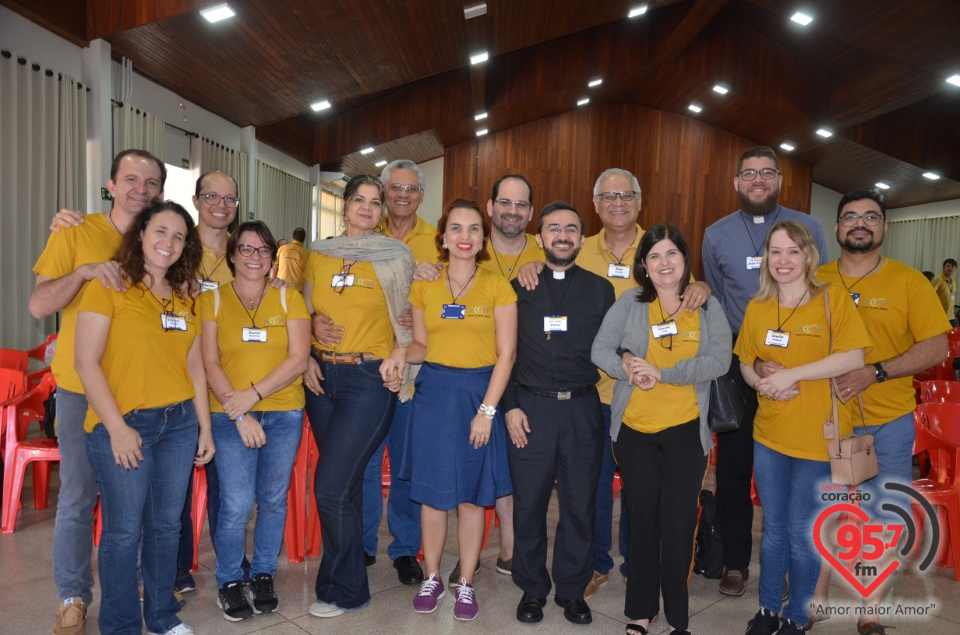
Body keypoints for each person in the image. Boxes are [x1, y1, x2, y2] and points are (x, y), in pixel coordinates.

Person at [515, 168, 711, 599]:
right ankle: (595, 565)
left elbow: (680, 287)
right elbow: (549, 267)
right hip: (592, 398)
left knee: (641, 494)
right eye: (608, 196)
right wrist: (531, 265)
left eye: (626, 195)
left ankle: (635, 568)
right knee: (591, 491)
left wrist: (701, 287)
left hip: (643, 395)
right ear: (596, 203)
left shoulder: (657, 247)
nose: (617, 203)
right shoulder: (579, 250)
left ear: (639, 202)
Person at [51, 170, 248, 593]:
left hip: (201, 400)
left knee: (187, 505)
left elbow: (197, 357)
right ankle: (87, 596)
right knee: (108, 513)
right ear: (195, 200)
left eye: (229, 198)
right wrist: (117, 427)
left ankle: (168, 590)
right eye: (211, 195)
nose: (220, 204)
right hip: (122, 407)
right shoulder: (114, 276)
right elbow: (85, 357)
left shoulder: (240, 257)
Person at [30, 149, 165, 635]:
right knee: (79, 498)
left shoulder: (162, 239)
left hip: (141, 393)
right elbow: (39, 302)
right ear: (110, 184)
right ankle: (72, 596)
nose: (141, 190)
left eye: (151, 183)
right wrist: (85, 272)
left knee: (138, 500)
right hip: (80, 389)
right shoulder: (74, 231)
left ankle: (129, 586)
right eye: (131, 179)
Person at [810, 190, 950, 635]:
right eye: (850, 216)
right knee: (816, 507)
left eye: (871, 217)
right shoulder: (814, 278)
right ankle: (813, 596)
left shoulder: (910, 282)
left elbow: (937, 345)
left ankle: (873, 606)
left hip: (886, 419)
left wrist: (878, 371)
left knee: (884, 513)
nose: (861, 223)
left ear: (884, 228)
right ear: (836, 228)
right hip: (824, 418)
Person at [75, 200, 214, 635]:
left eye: (178, 236)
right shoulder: (110, 285)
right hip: (124, 424)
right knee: (123, 532)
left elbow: (194, 367)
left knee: (165, 526)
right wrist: (117, 428)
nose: (168, 243)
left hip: (178, 425)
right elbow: (86, 362)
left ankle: (161, 617)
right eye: (160, 231)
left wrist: (204, 426)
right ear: (140, 234)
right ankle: (119, 626)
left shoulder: (187, 295)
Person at [701, 145, 828, 598]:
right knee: (734, 469)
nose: (758, 180)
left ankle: (798, 566)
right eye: (749, 173)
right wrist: (750, 357)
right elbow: (716, 301)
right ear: (736, 182)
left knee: (798, 470)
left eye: (766, 173)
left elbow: (821, 292)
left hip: (801, 371)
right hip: (741, 368)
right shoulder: (715, 235)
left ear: (779, 181)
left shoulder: (808, 226)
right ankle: (736, 562)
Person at [592, 223, 731, 635]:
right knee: (642, 519)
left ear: (685, 261)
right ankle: (639, 612)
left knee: (678, 524)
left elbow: (720, 360)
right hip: (634, 431)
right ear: (644, 266)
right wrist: (627, 367)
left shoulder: (706, 306)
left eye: (672, 254)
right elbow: (599, 349)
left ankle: (677, 620)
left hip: (687, 433)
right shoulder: (629, 302)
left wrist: (665, 374)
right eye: (654, 256)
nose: (664, 262)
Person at [736, 221, 870, 635]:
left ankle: (797, 615)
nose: (783, 260)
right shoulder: (758, 306)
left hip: (819, 437)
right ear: (766, 260)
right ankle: (766, 610)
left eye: (792, 251)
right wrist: (762, 379)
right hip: (770, 434)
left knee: (802, 530)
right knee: (773, 527)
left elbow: (853, 358)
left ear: (808, 255)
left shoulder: (832, 300)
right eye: (775, 252)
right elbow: (745, 360)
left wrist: (791, 374)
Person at [301, 174, 415, 618]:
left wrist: (401, 352)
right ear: (344, 206)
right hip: (322, 380)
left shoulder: (395, 255)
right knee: (343, 489)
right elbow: (302, 310)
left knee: (329, 488)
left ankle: (344, 589)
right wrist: (310, 338)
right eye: (359, 200)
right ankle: (342, 583)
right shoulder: (319, 253)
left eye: (374, 202)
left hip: (370, 380)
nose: (366, 207)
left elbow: (412, 318)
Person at [402, 199, 517, 621]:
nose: (464, 236)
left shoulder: (497, 286)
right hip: (433, 395)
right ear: (444, 236)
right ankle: (432, 575)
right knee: (432, 498)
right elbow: (420, 346)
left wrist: (487, 411)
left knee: (471, 498)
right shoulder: (424, 285)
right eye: (456, 228)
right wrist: (399, 354)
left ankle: (465, 581)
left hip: (478, 395)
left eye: (473, 229)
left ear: (482, 239)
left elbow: (507, 355)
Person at [504, 202, 614, 625]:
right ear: (540, 237)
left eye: (571, 229)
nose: (563, 235)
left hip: (584, 408)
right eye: (554, 228)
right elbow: (505, 354)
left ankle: (572, 589)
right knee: (528, 504)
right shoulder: (518, 287)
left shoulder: (601, 289)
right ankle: (531, 589)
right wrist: (510, 407)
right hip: (530, 407)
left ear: (581, 239)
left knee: (579, 504)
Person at [199, 221, 311, 621]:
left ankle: (262, 573)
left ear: (272, 257)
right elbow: (208, 362)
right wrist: (241, 409)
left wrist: (256, 394)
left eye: (263, 249)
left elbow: (299, 358)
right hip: (229, 413)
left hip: (283, 412)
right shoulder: (211, 301)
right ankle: (229, 580)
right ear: (232, 255)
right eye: (245, 249)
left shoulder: (288, 299)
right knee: (234, 502)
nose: (255, 257)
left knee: (274, 499)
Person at [358, 159, 437, 585]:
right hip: (369, 364)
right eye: (394, 188)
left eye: (410, 189)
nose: (402, 195)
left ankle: (405, 548)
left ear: (421, 196)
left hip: (414, 367)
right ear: (383, 193)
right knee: (368, 458)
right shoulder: (365, 234)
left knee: (406, 460)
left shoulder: (437, 241)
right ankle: (366, 542)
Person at [932, 258, 957, 326]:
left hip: (951, 316)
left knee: (949, 336)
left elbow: (952, 299)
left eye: (952, 266)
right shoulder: (938, 279)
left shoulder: (954, 282)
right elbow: (931, 294)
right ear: (943, 267)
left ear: (955, 269)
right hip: (939, 315)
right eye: (948, 266)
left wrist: (954, 314)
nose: (950, 268)